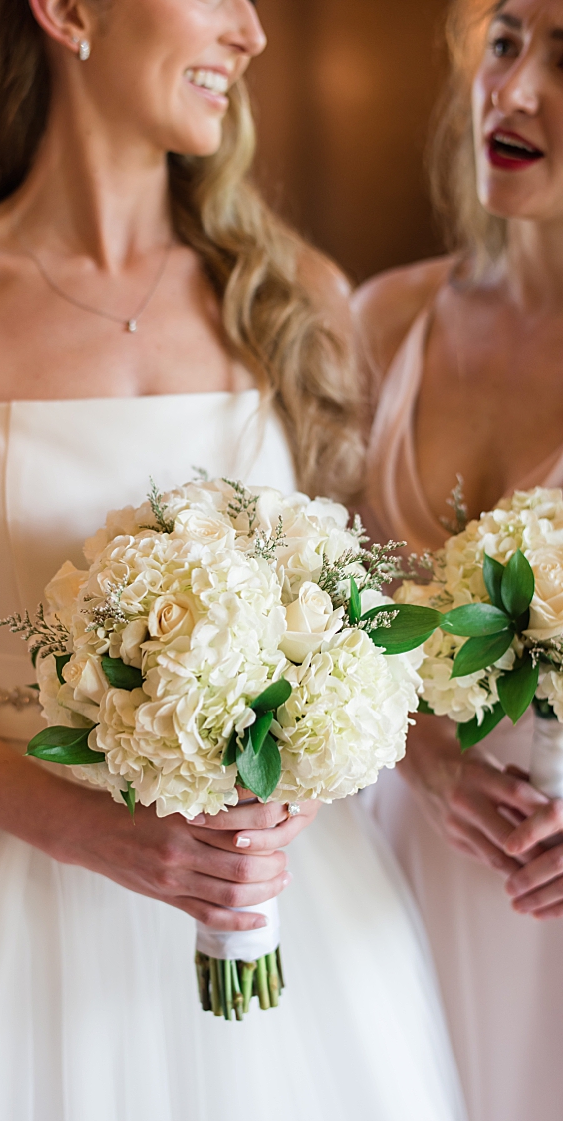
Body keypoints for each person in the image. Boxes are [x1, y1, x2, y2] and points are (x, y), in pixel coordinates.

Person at [0, 1, 464, 1117]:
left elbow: (355, 628)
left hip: (285, 898)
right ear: (71, 12)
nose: (252, 33)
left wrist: (288, 792)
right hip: (0, 905)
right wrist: (91, 833)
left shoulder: (292, 297)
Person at [356, 2, 563, 1117]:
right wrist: (424, 754)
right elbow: (321, 616)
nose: (515, 88)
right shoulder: (383, 321)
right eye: (506, 40)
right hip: (401, 865)